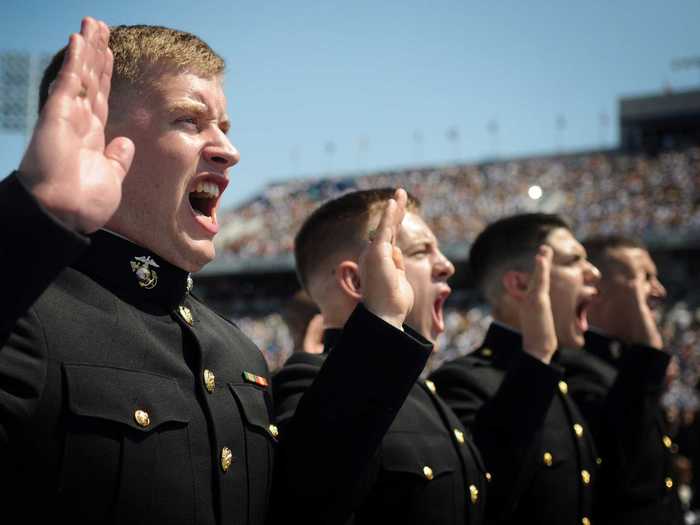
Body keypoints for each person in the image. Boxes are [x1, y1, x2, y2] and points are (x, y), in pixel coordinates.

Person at [0, 18, 432, 524]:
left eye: (223, 128)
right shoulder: (29, 318)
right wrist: (34, 217)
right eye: (189, 120)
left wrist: (379, 323)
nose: (229, 150)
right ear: (97, 135)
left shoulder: (235, 351)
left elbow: (299, 507)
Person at [273, 188, 488, 524]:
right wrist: (382, 318)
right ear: (357, 279)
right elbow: (307, 498)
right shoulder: (308, 382)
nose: (446, 265)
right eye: (420, 252)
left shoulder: (422, 392)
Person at [430, 213, 603, 525]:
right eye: (574, 260)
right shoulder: (461, 382)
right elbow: (486, 498)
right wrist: (535, 361)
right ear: (521, 284)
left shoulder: (562, 378)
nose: (593, 272)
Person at [573, 235, 684, 524]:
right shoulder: (573, 366)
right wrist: (648, 354)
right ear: (596, 289)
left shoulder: (624, 361)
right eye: (645, 278)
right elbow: (621, 465)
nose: (659, 290)